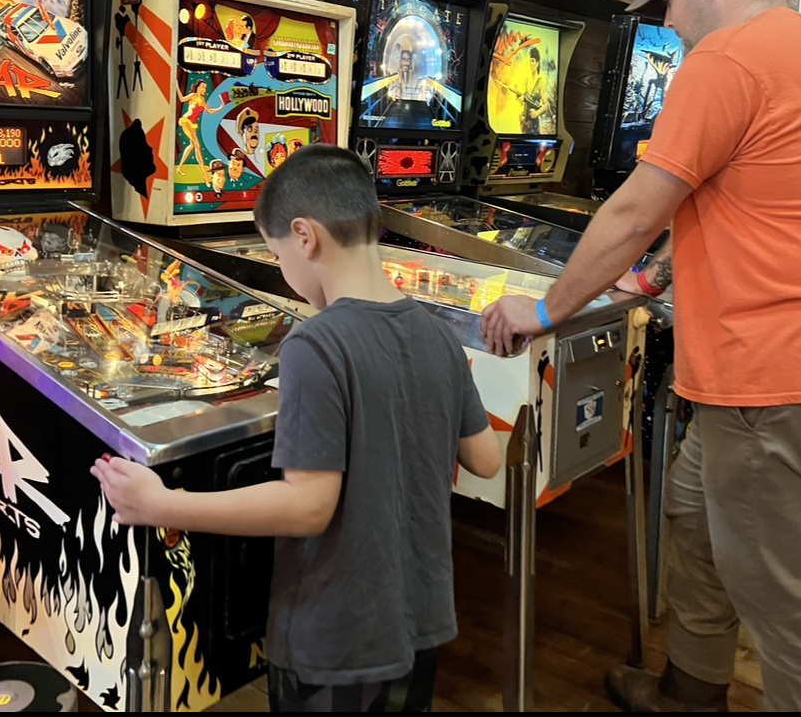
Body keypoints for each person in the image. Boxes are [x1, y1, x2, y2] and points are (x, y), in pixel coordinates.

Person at [480, 0, 801, 713]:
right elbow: (755, 202)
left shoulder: (731, 56)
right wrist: (648, 282)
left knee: (788, 601)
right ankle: (691, 689)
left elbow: (636, 209)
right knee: (694, 519)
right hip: (796, 367)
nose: (667, 22)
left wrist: (546, 307)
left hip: (781, 376)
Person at [93, 145, 502, 712]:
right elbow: (487, 458)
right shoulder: (435, 332)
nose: (282, 269)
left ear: (304, 236)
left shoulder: (316, 342)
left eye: (276, 251)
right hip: (419, 620)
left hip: (337, 635)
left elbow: (309, 506)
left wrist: (163, 506)